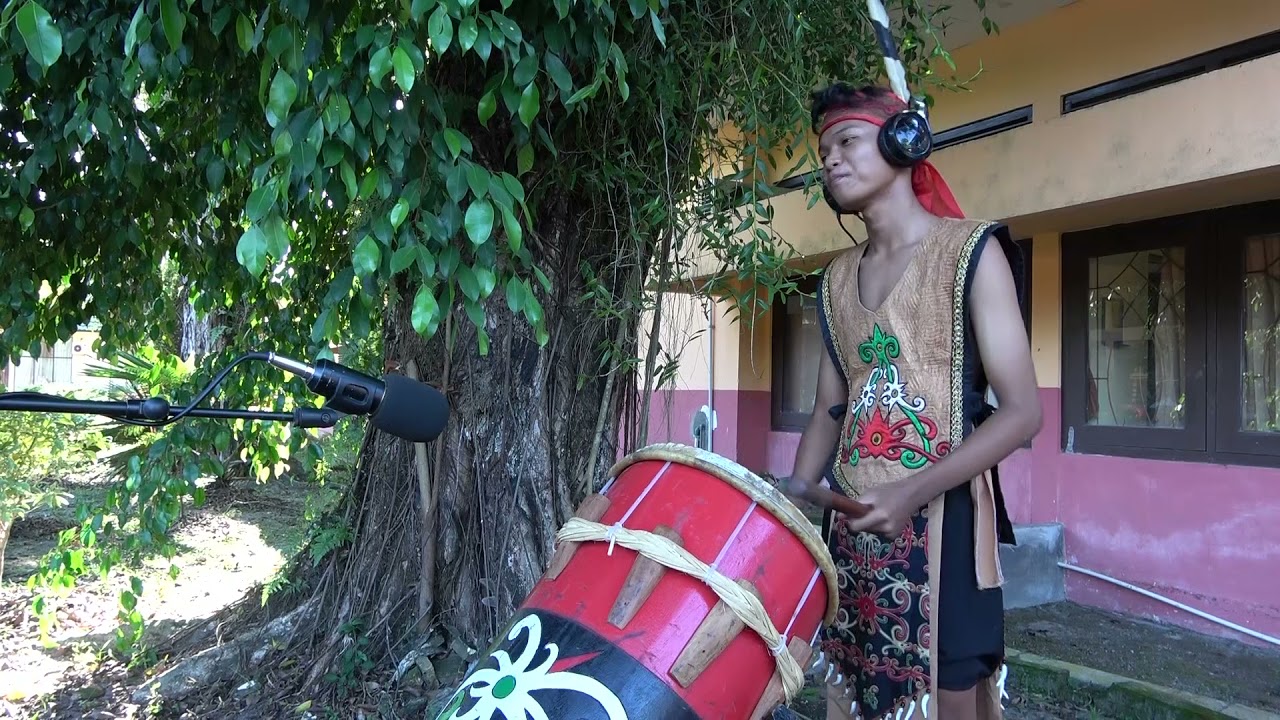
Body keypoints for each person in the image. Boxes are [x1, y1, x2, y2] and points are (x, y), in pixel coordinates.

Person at [784, 83, 1042, 720]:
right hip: (851, 529)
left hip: (945, 522)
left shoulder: (971, 254)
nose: (831, 161)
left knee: (947, 692)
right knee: (854, 692)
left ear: (904, 141)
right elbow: (829, 408)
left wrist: (910, 491)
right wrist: (789, 499)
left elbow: (1022, 412)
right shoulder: (836, 278)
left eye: (846, 141)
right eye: (823, 153)